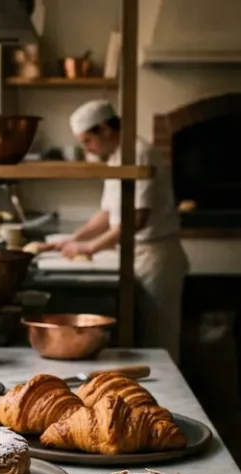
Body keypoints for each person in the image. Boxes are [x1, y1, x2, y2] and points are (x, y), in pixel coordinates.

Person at [49, 99, 189, 361]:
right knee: (143, 339)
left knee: (160, 342)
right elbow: (107, 214)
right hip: (135, 257)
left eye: (87, 141)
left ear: (104, 129)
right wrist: (73, 239)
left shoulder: (139, 153)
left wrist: (89, 247)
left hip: (156, 258)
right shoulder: (117, 158)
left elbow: (137, 218)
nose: (88, 150)